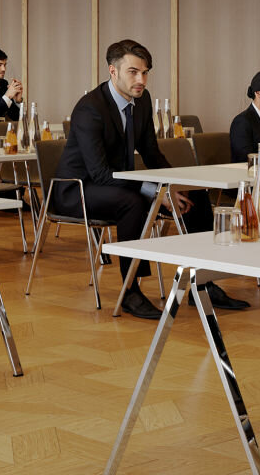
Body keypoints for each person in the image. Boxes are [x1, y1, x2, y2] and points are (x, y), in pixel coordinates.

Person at [53, 39, 246, 320]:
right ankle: (130, 290)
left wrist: (175, 185)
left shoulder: (141, 101)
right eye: (133, 72)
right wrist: (157, 192)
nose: (141, 79)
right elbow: (100, 174)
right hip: (77, 189)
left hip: (115, 184)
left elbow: (151, 152)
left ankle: (200, 283)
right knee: (132, 202)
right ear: (113, 71)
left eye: (145, 72)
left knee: (197, 195)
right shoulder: (89, 108)